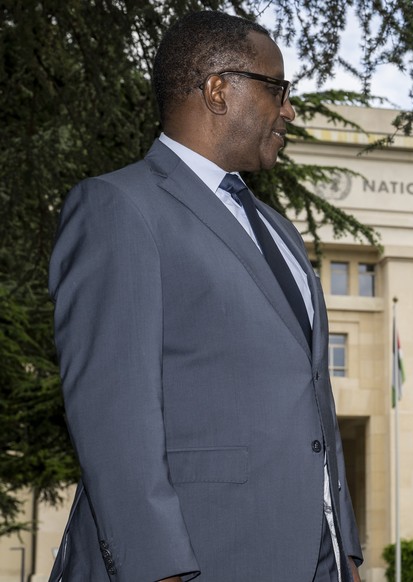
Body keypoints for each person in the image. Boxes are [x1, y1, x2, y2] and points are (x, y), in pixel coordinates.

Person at [48, 11, 361, 582]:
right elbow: (112, 419)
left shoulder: (279, 230)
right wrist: (158, 569)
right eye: (277, 89)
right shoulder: (119, 208)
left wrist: (345, 553)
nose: (289, 110)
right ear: (218, 88)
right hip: (195, 560)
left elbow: (313, 399)